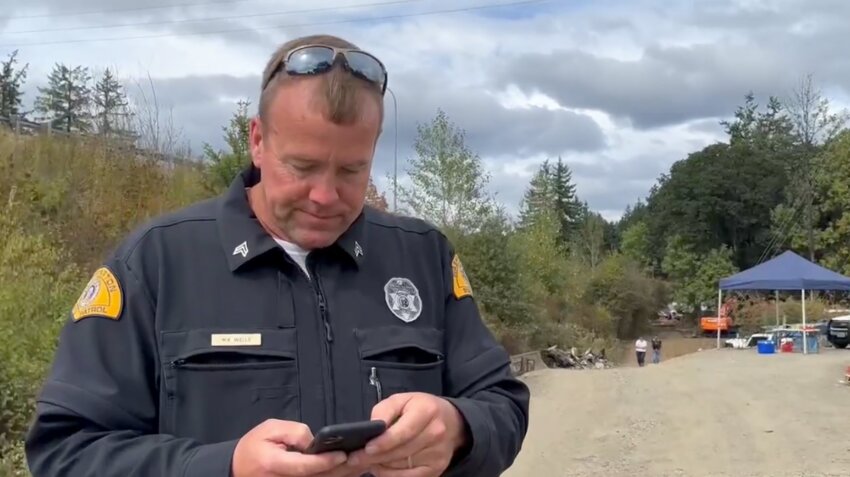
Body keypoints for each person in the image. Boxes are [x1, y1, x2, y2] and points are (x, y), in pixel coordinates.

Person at [24, 34, 529, 477]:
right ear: (258, 142)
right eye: (303, 167)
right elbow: (66, 450)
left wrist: (460, 429)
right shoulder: (157, 262)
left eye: (352, 171)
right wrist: (223, 467)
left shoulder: (422, 257)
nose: (325, 196)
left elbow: (502, 404)